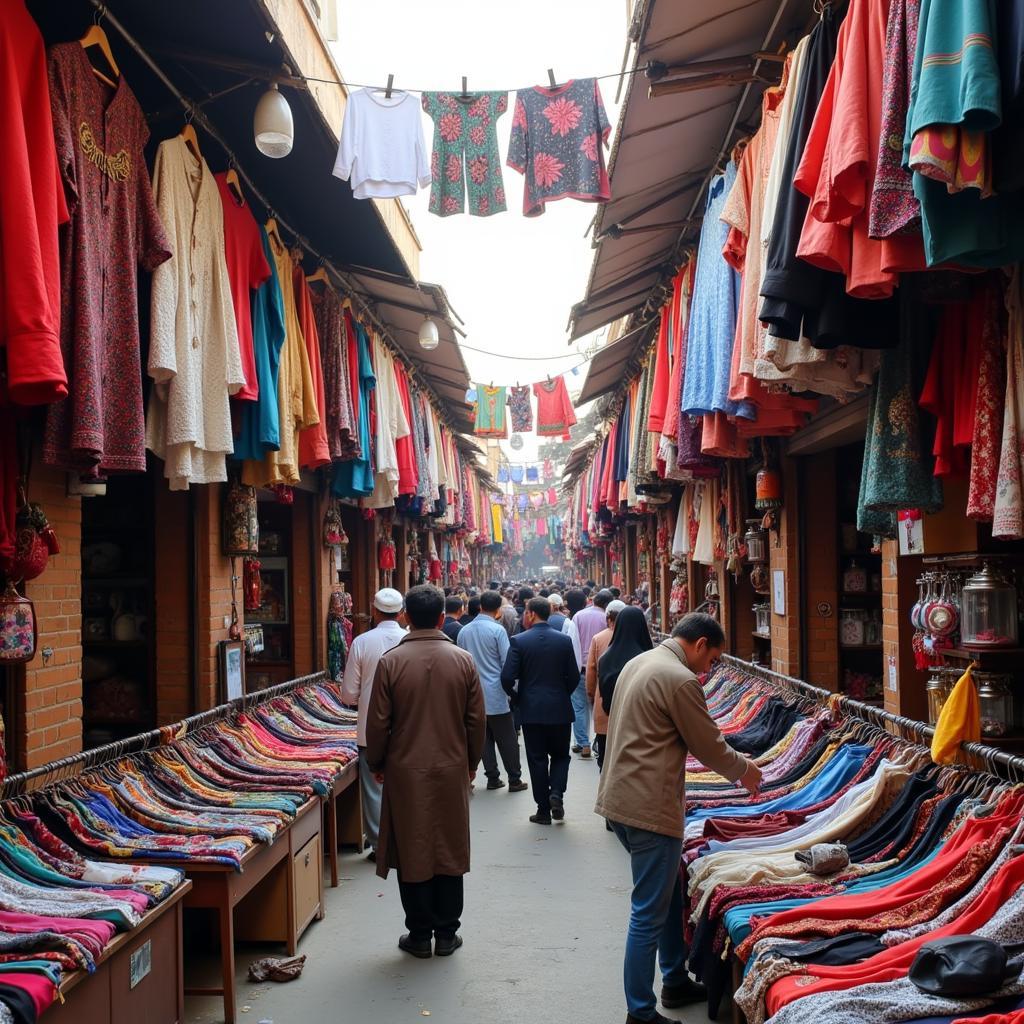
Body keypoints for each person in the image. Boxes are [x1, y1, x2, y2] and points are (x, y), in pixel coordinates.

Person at [595, 613, 761, 1024]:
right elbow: (708, 745)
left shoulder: (643, 661)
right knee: (647, 912)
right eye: (713, 659)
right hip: (648, 806)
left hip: (621, 797)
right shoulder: (680, 679)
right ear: (700, 643)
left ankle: (673, 978)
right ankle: (640, 1011)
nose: (710, 669)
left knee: (667, 899)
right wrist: (746, 771)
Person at [365, 585, 486, 959]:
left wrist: (377, 763)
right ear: (440, 618)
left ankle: (419, 934)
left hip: (405, 768)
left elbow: (378, 723)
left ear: (406, 617)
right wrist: (470, 764)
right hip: (450, 767)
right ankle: (447, 933)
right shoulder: (462, 660)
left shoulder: (391, 662)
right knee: (449, 845)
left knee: (413, 845)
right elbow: (475, 721)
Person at [500, 597, 580, 825]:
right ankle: (557, 793)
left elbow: (507, 677)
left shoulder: (519, 641)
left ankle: (543, 809)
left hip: (531, 709)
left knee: (536, 759)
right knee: (560, 756)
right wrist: (562, 693)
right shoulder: (563, 641)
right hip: (559, 709)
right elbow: (573, 676)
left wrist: (518, 698)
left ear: (532, 614)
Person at [341, 588, 407, 862]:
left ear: (376, 612)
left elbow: (348, 694)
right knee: (406, 785)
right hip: (408, 729)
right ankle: (406, 840)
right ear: (402, 613)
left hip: (370, 728)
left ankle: (381, 845)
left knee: (373, 787)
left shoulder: (362, 642)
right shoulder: (409, 640)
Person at [458, 590, 528, 793]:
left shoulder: (464, 631)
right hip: (496, 692)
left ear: (480, 607)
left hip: (472, 693)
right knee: (507, 738)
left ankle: (492, 777)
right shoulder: (497, 631)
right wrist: (513, 691)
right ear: (498, 610)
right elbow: (507, 663)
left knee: (483, 739)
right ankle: (514, 778)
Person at [567, 588, 613, 758]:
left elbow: (572, 642)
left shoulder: (578, 616)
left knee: (579, 707)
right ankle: (603, 739)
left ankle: (583, 743)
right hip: (604, 669)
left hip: (582, 668)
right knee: (602, 705)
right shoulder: (608, 619)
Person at [585, 599, 629, 769]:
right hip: (630, 704)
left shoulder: (599, 638)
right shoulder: (637, 637)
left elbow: (591, 670)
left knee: (604, 748)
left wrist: (591, 693)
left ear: (608, 617)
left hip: (603, 700)